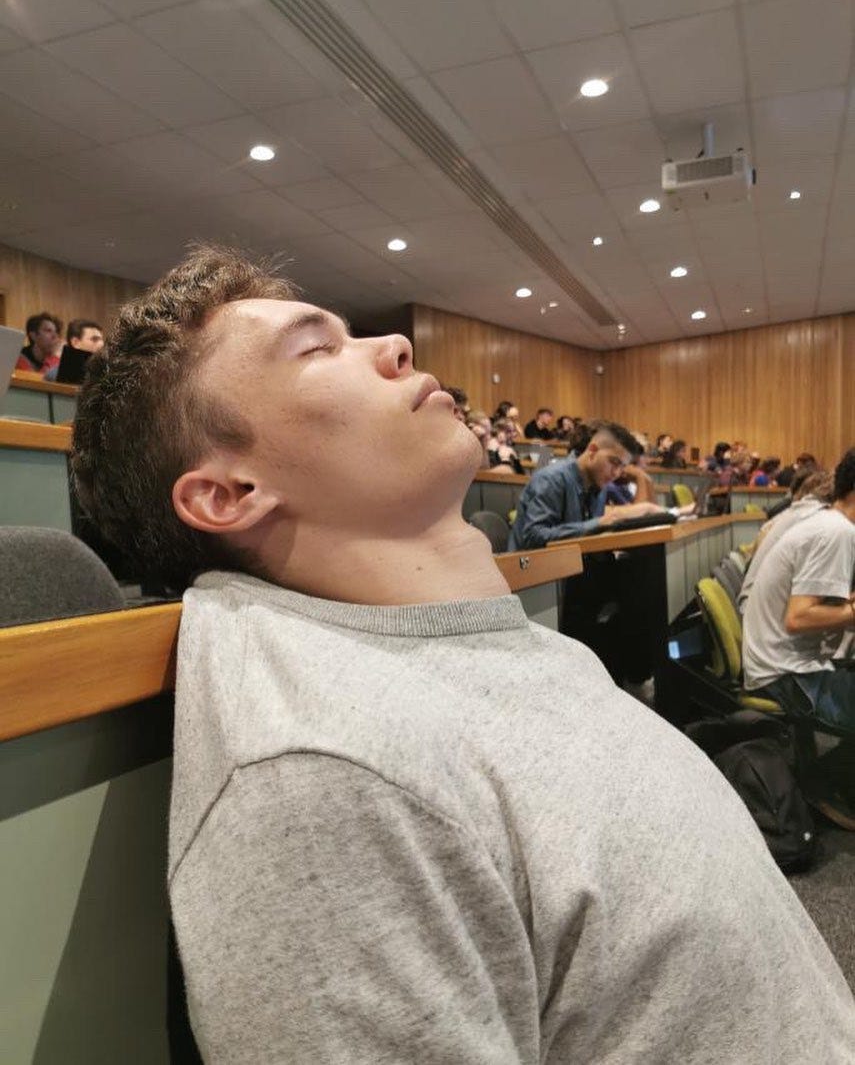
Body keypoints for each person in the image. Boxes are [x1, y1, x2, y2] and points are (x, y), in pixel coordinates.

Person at [71, 246, 855, 1061]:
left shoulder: (516, 650)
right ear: (227, 494)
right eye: (316, 348)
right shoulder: (324, 774)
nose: (394, 346)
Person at [742, 448, 855, 826]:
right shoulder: (838, 532)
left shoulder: (828, 522)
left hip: (782, 662)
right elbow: (799, 617)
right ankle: (822, 783)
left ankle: (823, 779)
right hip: (784, 674)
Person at [508, 420, 663, 549]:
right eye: (614, 462)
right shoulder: (552, 479)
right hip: (533, 571)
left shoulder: (599, 482)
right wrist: (599, 523)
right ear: (592, 451)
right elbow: (533, 537)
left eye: (622, 467)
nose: (616, 473)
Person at [738, 471, 834, 615]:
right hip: (759, 612)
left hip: (759, 608)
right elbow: (799, 615)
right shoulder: (809, 522)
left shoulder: (794, 517)